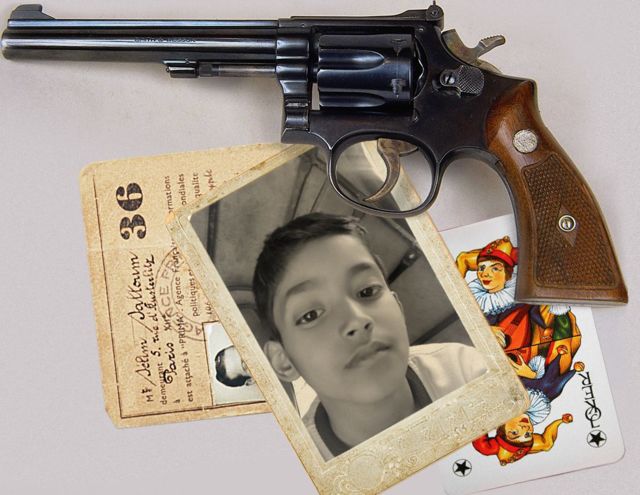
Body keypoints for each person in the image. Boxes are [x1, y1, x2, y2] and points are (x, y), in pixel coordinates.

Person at [253, 213, 486, 460]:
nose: (357, 320)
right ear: (283, 360)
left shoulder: (465, 372)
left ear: (398, 308)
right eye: (311, 315)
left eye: (367, 291)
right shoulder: (302, 466)